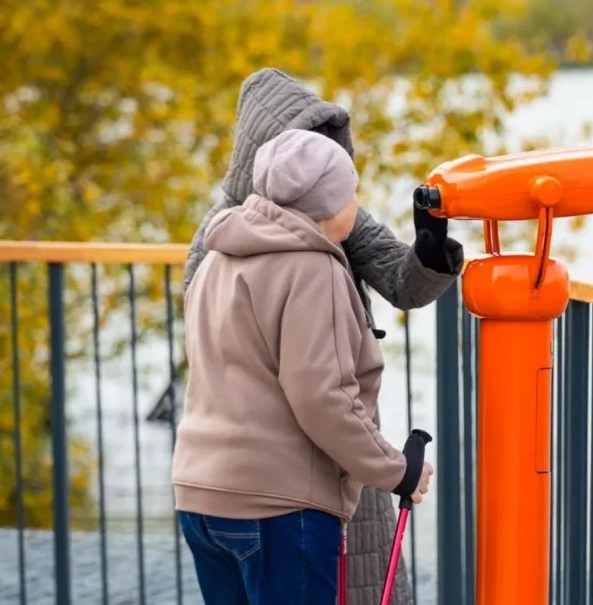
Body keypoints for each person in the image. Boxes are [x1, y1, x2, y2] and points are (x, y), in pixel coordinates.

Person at [182, 67, 463, 604]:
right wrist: (393, 469)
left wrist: (429, 252)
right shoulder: (305, 252)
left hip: (215, 485)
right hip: (295, 476)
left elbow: (400, 280)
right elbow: (317, 392)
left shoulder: (226, 241)